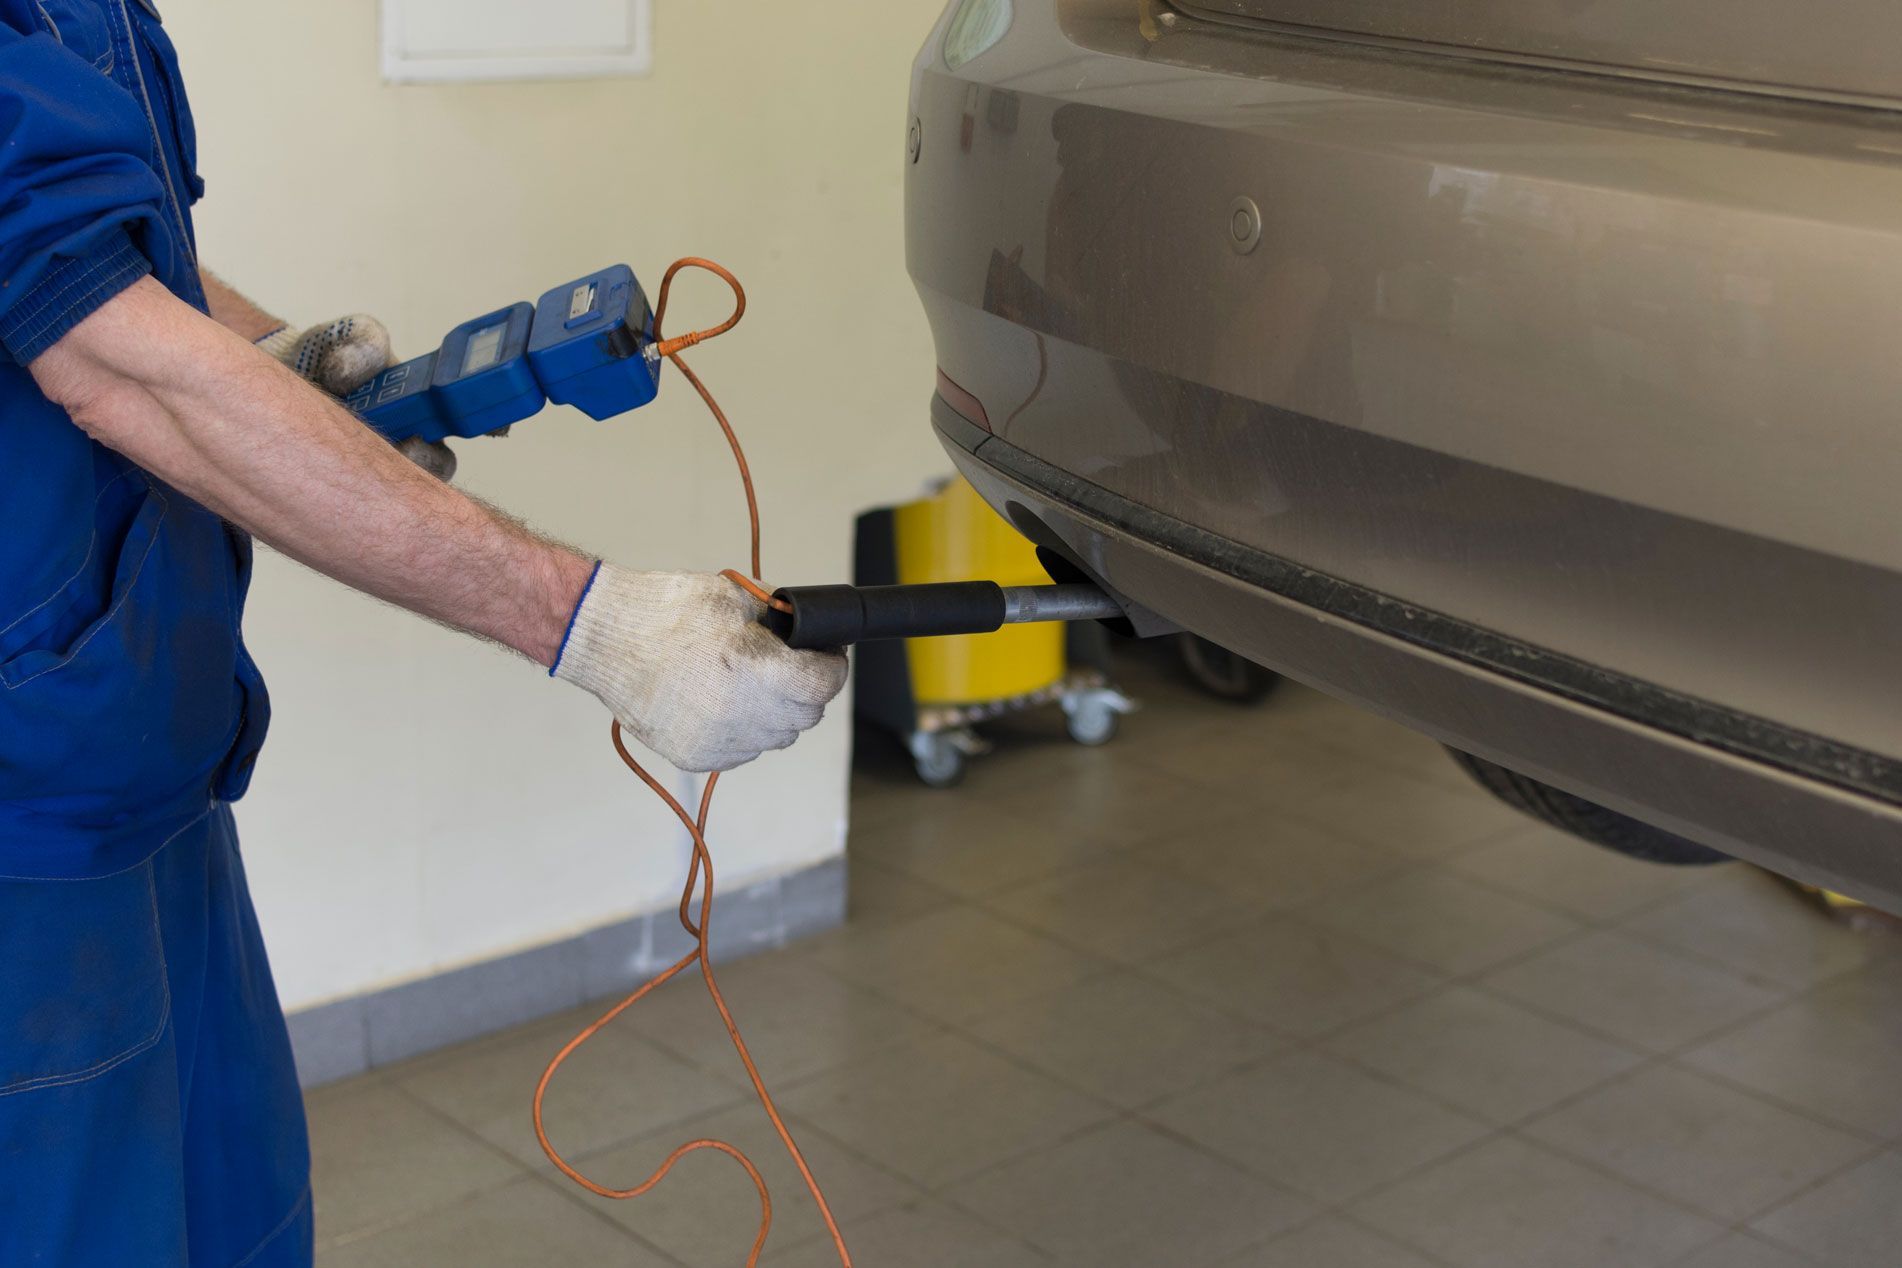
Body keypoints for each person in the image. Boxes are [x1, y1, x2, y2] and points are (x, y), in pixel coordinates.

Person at [0, 4, 848, 1265]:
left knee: (237, 1222)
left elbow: (112, 257)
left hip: (139, 751)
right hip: (27, 824)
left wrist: (265, 356)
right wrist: (590, 621)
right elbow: (114, 360)